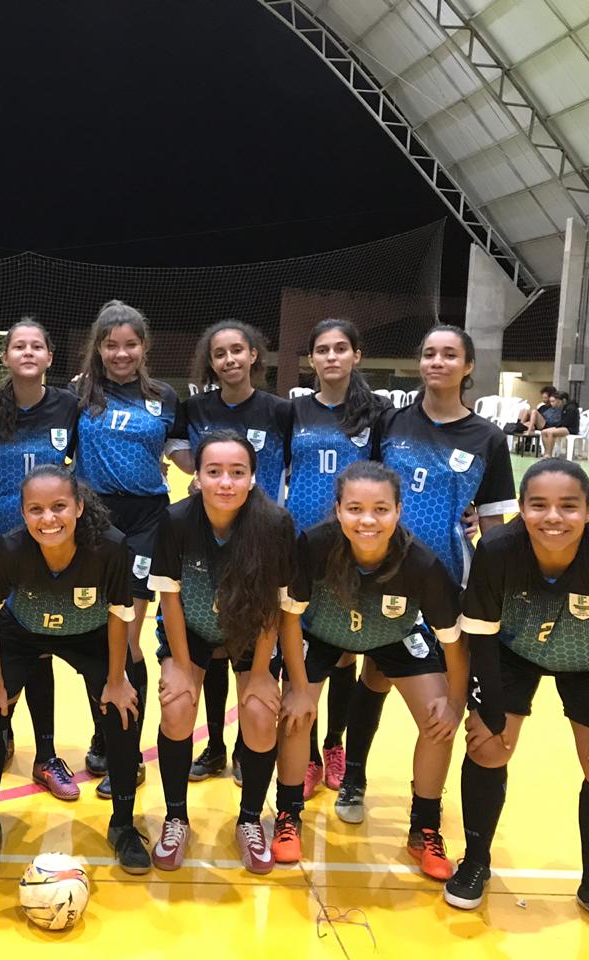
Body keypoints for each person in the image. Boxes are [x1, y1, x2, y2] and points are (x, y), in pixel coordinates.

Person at [445, 459, 589, 947]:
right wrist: (491, 712)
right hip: (512, 654)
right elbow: (483, 638)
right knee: (489, 746)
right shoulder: (496, 548)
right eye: (538, 505)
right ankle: (476, 861)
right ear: (521, 508)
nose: (552, 516)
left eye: (568, 506)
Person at [338, 324, 517, 825]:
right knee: (373, 673)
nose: (436, 362)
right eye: (429, 353)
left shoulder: (487, 437)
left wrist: (489, 587)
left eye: (449, 355)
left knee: (438, 692)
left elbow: (496, 522)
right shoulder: (392, 423)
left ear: (468, 366)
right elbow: (365, 488)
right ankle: (353, 775)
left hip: (447, 581)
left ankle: (426, 812)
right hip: (377, 576)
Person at [274, 461, 466, 879]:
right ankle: (288, 816)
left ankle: (425, 828)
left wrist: (455, 703)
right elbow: (289, 620)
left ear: (398, 510)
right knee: (295, 710)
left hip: (393, 636)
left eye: (380, 509)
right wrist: (302, 688)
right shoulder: (315, 545)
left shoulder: (422, 564)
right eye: (355, 508)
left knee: (438, 719)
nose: (367, 520)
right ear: (339, 509)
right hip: (322, 632)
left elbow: (454, 642)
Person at [0, 465, 149, 874]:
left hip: (91, 634)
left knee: (123, 710)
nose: (48, 519)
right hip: (23, 632)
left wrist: (117, 681)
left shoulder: (110, 548)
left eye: (59, 507)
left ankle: (123, 824)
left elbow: (121, 614)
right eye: (36, 509)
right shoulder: (9, 549)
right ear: (23, 513)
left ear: (79, 507)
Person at [148, 432, 295, 875]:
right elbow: (169, 597)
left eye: (237, 472)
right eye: (214, 472)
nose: (225, 482)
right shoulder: (175, 520)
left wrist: (266, 673)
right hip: (190, 628)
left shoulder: (273, 524)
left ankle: (250, 821)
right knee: (176, 705)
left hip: (251, 632)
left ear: (252, 478)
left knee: (258, 711)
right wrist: (177, 665)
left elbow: (275, 604)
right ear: (197, 476)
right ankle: (176, 818)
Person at [168, 322, 289, 785]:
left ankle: (242, 748)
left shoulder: (279, 410)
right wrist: (206, 478)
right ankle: (215, 745)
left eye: (238, 350)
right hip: (209, 530)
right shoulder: (195, 407)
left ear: (254, 355)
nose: (229, 360)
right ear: (211, 362)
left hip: (260, 534)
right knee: (211, 646)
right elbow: (177, 446)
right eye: (219, 353)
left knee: (246, 637)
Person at [73, 300, 181, 798]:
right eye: (111, 344)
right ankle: (103, 732)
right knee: (97, 633)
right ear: (98, 346)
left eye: (130, 344)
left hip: (145, 522)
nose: (121, 353)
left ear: (144, 346)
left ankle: (127, 749)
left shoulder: (165, 397)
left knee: (130, 636)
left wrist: (210, 470)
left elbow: (182, 450)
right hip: (93, 520)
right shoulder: (79, 394)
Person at [0, 319, 81, 800]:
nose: (29, 351)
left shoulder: (70, 407)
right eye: (19, 345)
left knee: (40, 642)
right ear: (6, 356)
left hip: (48, 542)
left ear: (50, 356)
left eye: (38, 344)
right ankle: (0, 731)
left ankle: (46, 753)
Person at [283, 319, 388, 801]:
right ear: (311, 360)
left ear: (356, 355)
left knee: (344, 647)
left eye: (340, 348)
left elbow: (391, 476)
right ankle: (305, 756)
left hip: (353, 545)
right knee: (301, 647)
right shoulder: (295, 410)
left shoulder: (377, 415)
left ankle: (334, 745)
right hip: (301, 542)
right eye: (322, 349)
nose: (331, 357)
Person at [538, 391, 579, 458]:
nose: (556, 404)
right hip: (563, 427)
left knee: (550, 433)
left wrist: (556, 427)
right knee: (543, 432)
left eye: (558, 401)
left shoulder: (571, 408)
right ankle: (546, 452)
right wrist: (556, 426)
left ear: (563, 400)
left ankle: (549, 454)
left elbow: (567, 422)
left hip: (570, 428)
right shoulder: (564, 407)